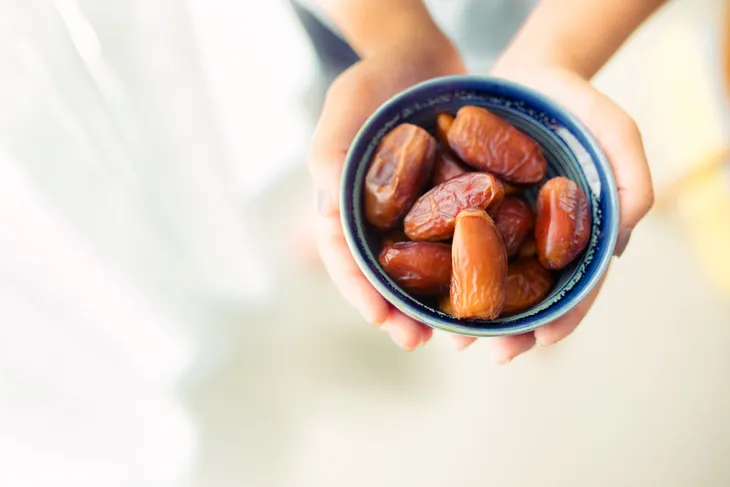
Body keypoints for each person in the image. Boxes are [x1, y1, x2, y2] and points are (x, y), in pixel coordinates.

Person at [297, 0, 660, 363]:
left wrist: (557, 50)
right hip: (359, 26)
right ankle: (330, 200)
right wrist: (401, 37)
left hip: (538, 19)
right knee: (341, 135)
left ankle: (331, 205)